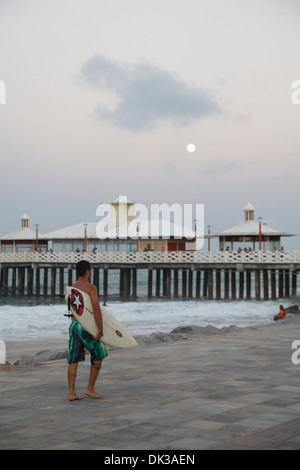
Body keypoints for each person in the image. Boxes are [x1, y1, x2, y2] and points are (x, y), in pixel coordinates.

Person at [67, 260, 108, 401]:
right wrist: (100, 327)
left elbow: (74, 309)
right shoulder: (91, 288)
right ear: (87, 271)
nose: (91, 272)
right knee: (98, 355)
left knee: (73, 359)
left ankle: (71, 393)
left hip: (73, 325)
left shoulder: (73, 287)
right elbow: (96, 307)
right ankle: (90, 388)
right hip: (85, 327)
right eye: (90, 269)